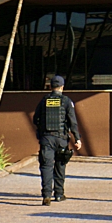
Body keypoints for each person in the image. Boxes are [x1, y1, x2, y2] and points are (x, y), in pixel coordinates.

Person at [32, 75, 82, 206]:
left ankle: (46, 195)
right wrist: (77, 138)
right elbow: (73, 122)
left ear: (50, 87)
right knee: (60, 166)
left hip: (46, 138)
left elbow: (35, 118)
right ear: (62, 87)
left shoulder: (44, 101)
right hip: (61, 139)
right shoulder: (66, 101)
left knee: (46, 166)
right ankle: (59, 194)